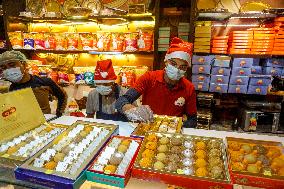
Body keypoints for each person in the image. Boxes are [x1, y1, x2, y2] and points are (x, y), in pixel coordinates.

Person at [115, 37, 197, 127]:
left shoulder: (189, 88)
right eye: (173, 64)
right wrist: (132, 109)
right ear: (166, 61)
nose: (177, 69)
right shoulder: (149, 78)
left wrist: (176, 126)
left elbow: (192, 120)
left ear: (186, 69)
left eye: (182, 67)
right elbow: (122, 100)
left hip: (172, 131)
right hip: (148, 127)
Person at [0, 50, 67, 117]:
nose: (8, 70)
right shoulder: (10, 88)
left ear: (24, 64)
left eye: (12, 65)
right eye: (4, 68)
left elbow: (62, 95)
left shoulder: (44, 82)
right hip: (24, 124)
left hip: (45, 123)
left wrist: (59, 113)